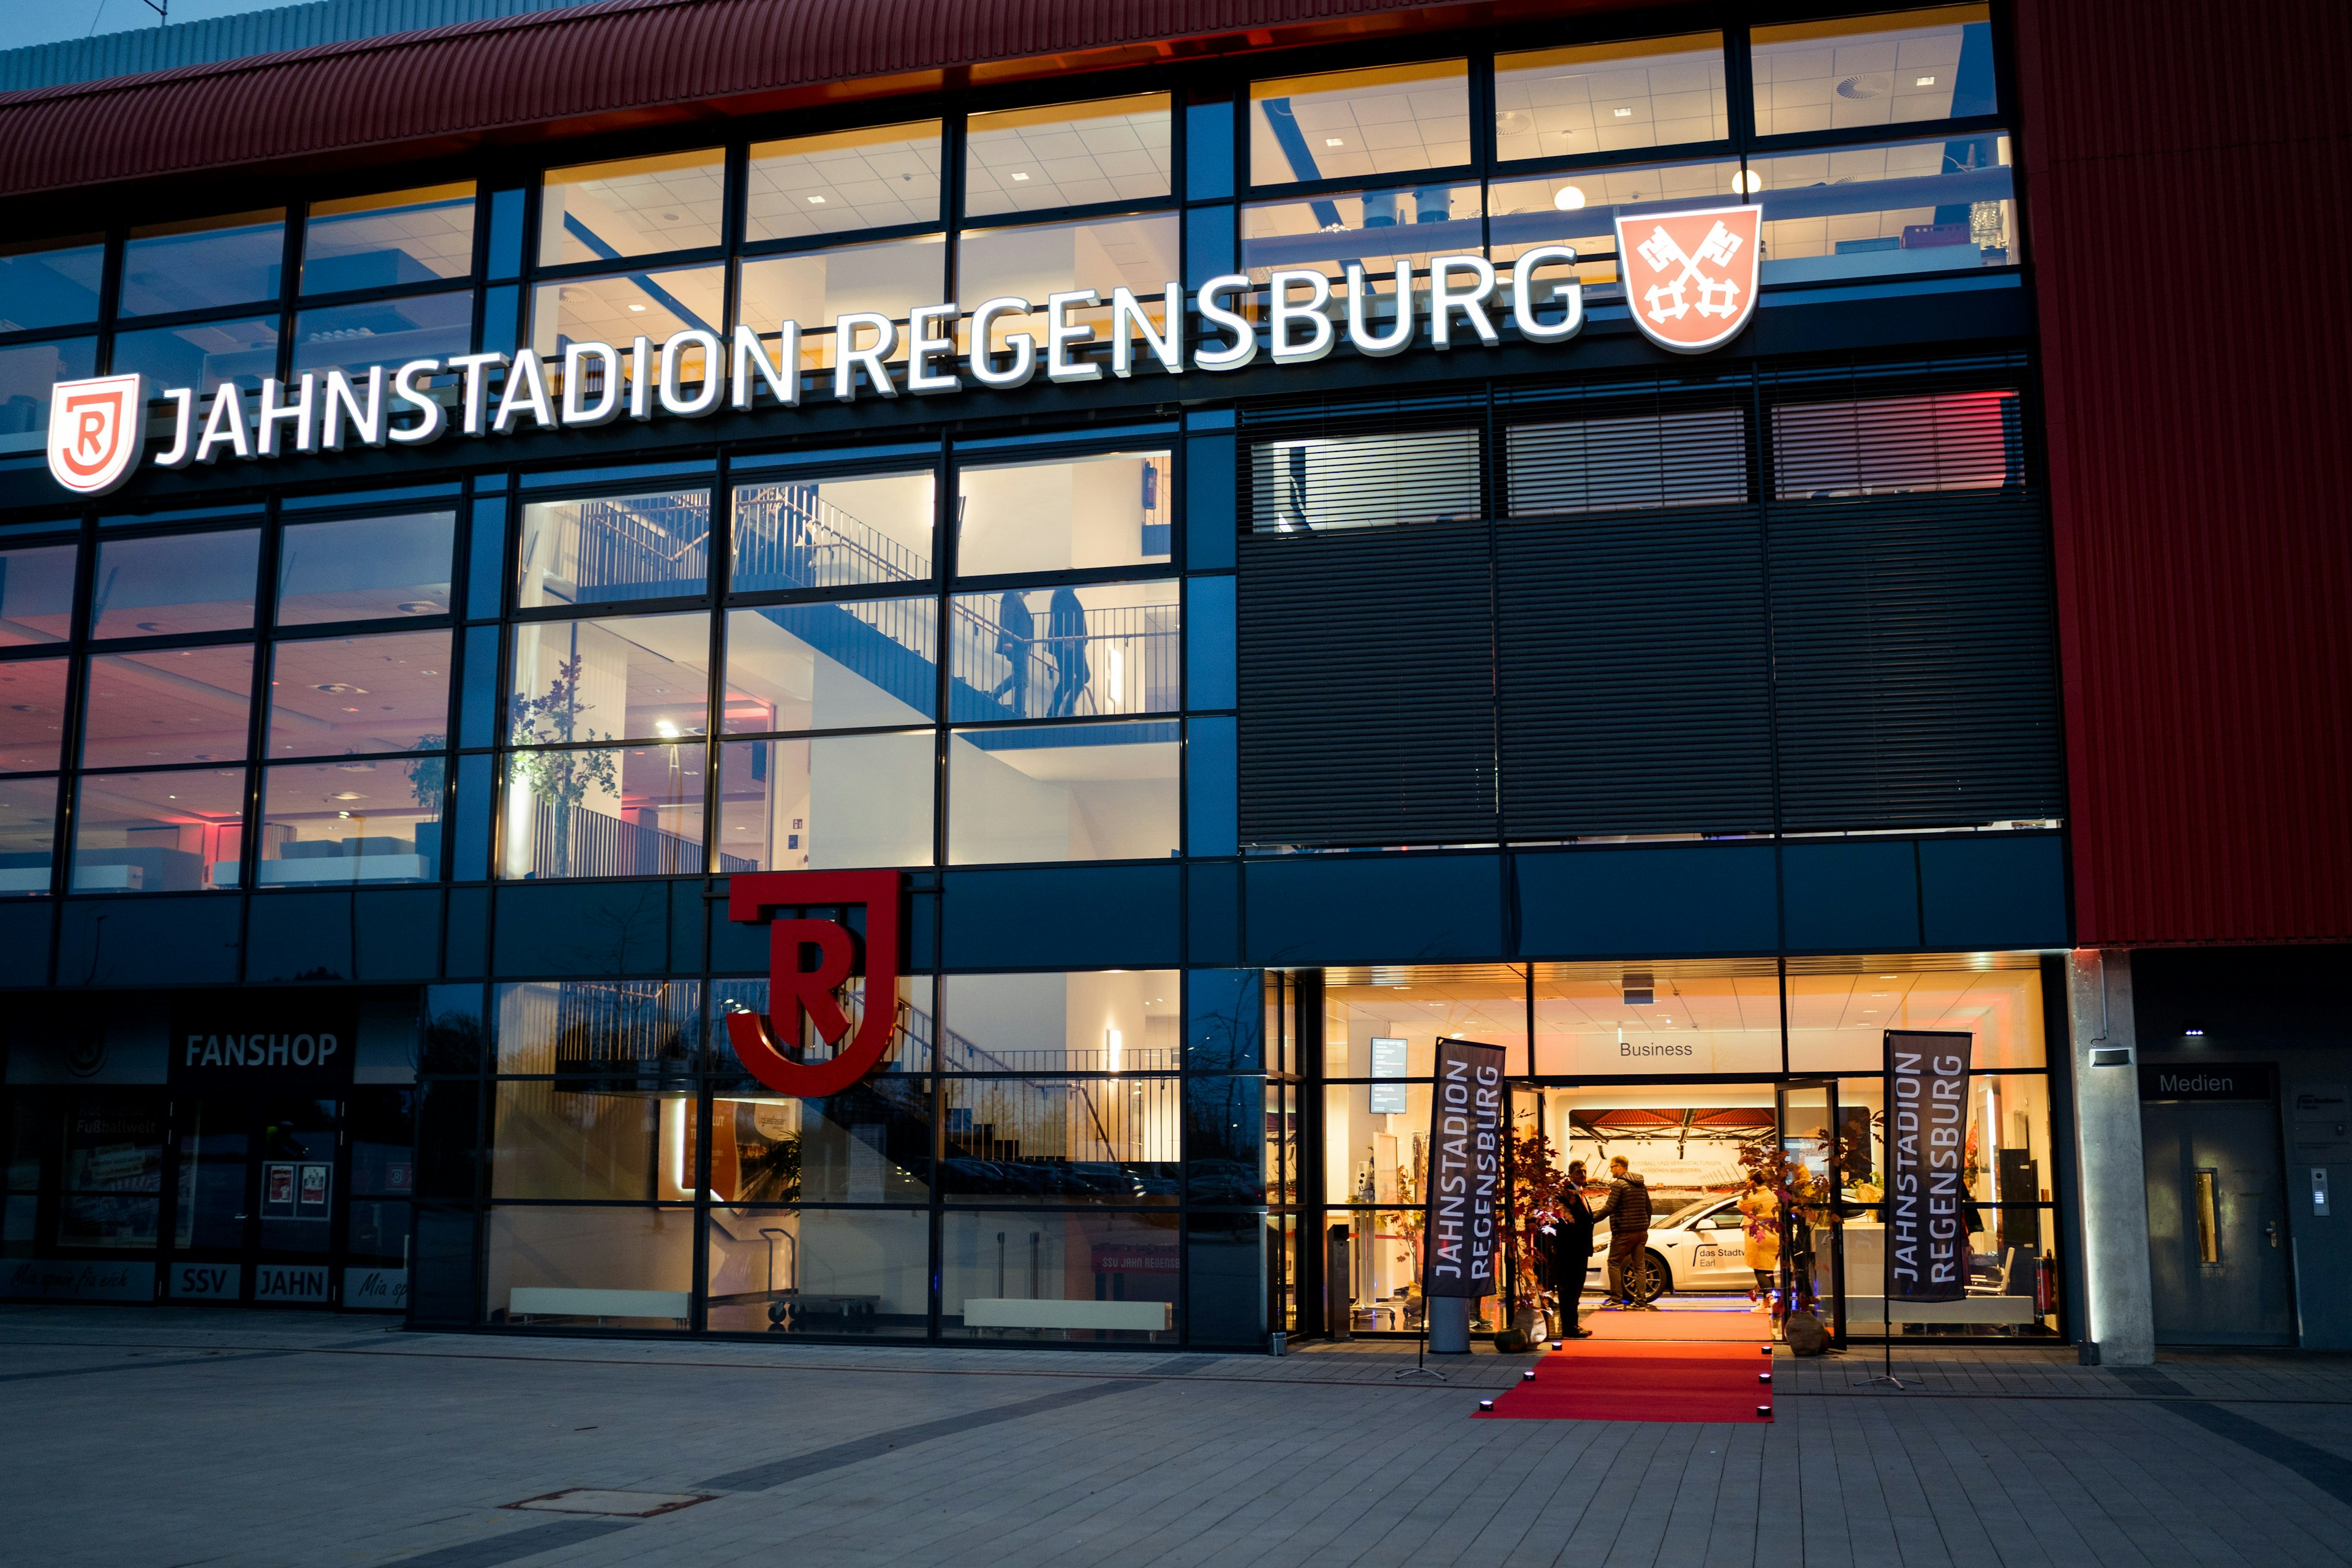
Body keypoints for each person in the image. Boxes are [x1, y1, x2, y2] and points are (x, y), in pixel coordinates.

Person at [1540, 1160, 1597, 1336]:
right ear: (1571, 1174)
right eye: (1579, 1172)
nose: (1583, 1175)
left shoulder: (1579, 1193)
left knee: (1576, 1289)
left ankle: (1573, 1325)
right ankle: (1570, 1327)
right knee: (1569, 1289)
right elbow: (1563, 1224)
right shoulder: (1566, 1195)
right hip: (1570, 1250)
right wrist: (1558, 1247)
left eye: (1585, 1172)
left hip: (1580, 1250)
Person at [1591, 1155, 1653, 1309]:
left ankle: (1616, 1300)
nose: (1610, 1170)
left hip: (1624, 1232)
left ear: (1619, 1167)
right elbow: (1649, 1208)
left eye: (1612, 1167)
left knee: (1613, 1262)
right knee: (1639, 1267)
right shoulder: (1640, 1185)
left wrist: (1590, 1220)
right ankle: (1640, 1302)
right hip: (1641, 1232)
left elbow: (1609, 1208)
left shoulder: (1618, 1185)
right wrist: (1645, 1226)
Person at [1737, 1168, 1781, 1314]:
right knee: (1768, 1270)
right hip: (1773, 1236)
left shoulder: (1750, 1197)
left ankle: (1771, 1298)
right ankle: (1766, 1304)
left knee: (1759, 1270)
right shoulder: (1772, 1195)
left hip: (1757, 1237)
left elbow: (1740, 1205)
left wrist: (1749, 1189)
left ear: (1752, 1181)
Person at [1045, 585, 1089, 716]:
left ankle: (1052, 712)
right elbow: (1065, 617)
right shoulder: (1064, 593)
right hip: (1070, 643)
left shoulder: (1060, 593)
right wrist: (1069, 639)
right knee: (1083, 675)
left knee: (1066, 680)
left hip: (1068, 643)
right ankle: (1068, 707)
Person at [991, 589, 1035, 717]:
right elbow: (1007, 618)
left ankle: (1019, 710)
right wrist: (1008, 640)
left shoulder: (1018, 598)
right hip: (1017, 643)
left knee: (1021, 678)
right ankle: (997, 695)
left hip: (1022, 644)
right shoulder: (1011, 595)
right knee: (1022, 677)